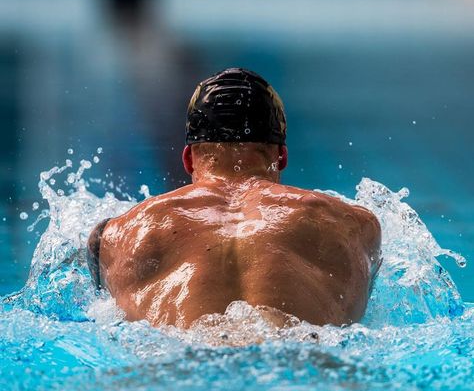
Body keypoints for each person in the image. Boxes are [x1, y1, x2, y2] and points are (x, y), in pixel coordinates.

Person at [87, 68, 381, 328]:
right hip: (295, 363)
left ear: (188, 159)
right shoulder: (356, 226)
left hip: (182, 364)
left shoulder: (116, 235)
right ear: (281, 157)